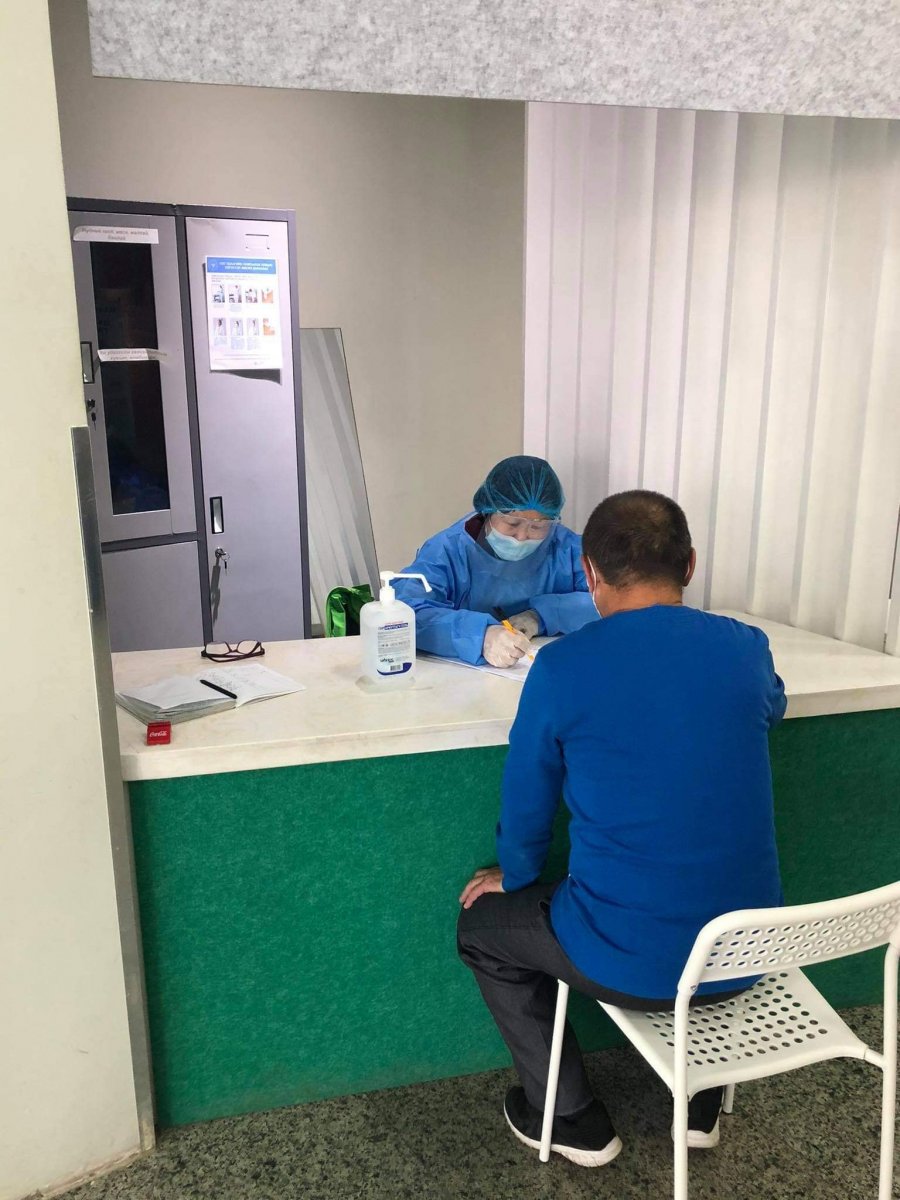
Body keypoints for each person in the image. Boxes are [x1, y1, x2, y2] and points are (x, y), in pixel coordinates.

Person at [457, 490, 786, 1167]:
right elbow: (771, 707)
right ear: (689, 564)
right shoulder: (746, 648)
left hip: (630, 960)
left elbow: (527, 809)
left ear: (589, 573)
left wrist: (513, 877)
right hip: (748, 952)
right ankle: (698, 1101)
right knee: (699, 899)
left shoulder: (563, 667)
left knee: (483, 929)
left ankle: (571, 1117)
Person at [393, 456, 597, 666]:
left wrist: (542, 616)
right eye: (512, 523)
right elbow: (406, 613)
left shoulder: (565, 548)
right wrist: (481, 636)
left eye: (537, 526)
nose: (522, 537)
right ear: (488, 512)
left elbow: (609, 598)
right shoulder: (448, 550)